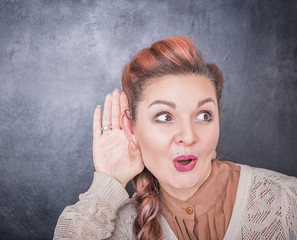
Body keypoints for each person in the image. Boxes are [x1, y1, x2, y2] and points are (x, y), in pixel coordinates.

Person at [53, 36, 297, 239]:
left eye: (203, 115)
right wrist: (108, 182)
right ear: (132, 128)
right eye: (164, 117)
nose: (188, 137)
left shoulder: (287, 202)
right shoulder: (114, 226)